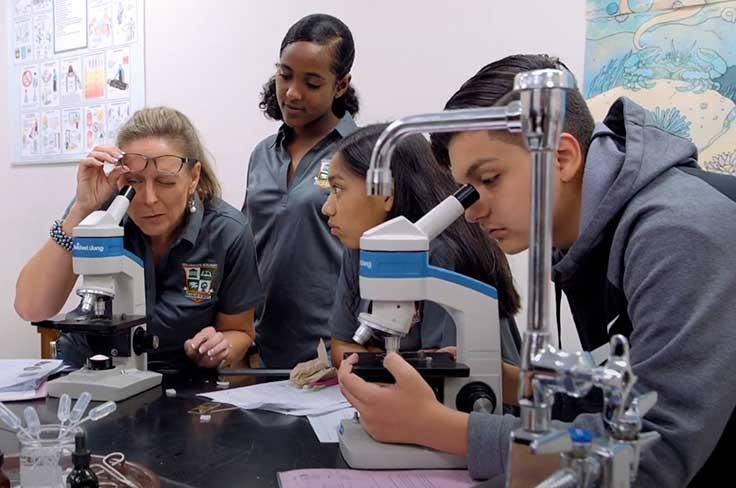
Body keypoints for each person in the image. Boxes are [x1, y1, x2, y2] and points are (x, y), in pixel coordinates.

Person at [338, 54, 736, 486]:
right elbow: (618, 397)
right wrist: (514, 384)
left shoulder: (676, 235)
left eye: (489, 179)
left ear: (562, 157)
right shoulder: (583, 239)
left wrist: (439, 428)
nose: (472, 213)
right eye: (466, 190)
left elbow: (651, 456)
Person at [16, 107, 264, 371]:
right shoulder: (101, 210)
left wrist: (218, 347)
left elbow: (239, 331)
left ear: (193, 177)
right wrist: (81, 208)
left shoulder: (227, 232)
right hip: (90, 366)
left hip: (176, 378)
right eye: (134, 181)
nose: (149, 199)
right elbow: (32, 308)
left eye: (166, 182)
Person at [322, 124, 521, 393]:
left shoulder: (445, 254)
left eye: (338, 189)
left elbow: (445, 370)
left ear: (386, 192)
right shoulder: (359, 247)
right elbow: (341, 347)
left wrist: (375, 358)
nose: (327, 207)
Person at [242, 14, 359, 368]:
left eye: (311, 82)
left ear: (340, 85)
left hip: (330, 354)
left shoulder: (358, 155)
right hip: (259, 352)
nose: (292, 93)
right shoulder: (262, 153)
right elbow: (248, 245)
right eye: (285, 75)